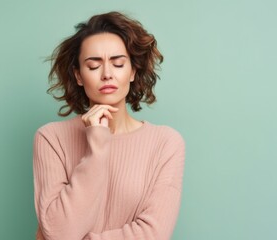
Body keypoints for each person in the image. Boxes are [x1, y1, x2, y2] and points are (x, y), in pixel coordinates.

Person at [33, 11, 185, 240]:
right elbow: (61, 233)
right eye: (93, 66)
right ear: (79, 76)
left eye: (118, 63)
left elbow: (154, 234)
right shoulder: (51, 138)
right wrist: (97, 146)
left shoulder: (166, 143)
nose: (106, 74)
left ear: (133, 71)